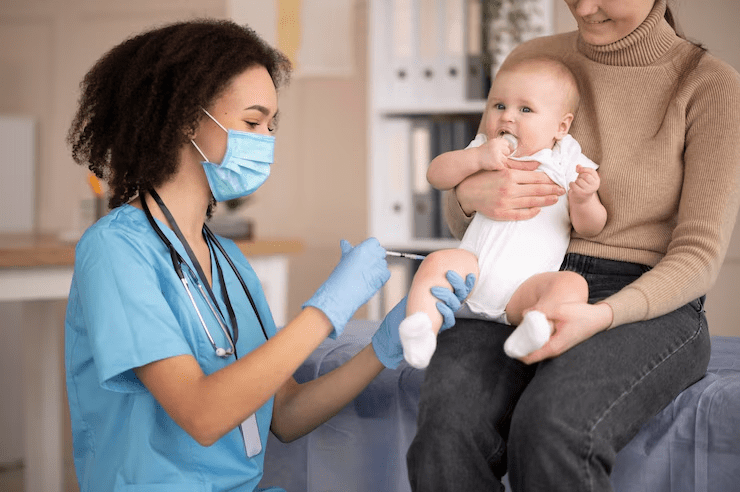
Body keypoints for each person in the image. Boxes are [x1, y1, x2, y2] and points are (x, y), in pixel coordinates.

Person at [64, 19, 471, 492]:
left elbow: (286, 413)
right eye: (252, 122)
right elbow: (201, 413)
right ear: (185, 119)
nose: (265, 140)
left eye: (271, 125)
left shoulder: (229, 262)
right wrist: (327, 309)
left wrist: (384, 343)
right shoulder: (115, 251)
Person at [406, 0, 740, 490]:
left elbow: (699, 256)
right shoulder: (534, 59)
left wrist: (602, 315)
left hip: (644, 299)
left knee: (552, 427)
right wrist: (468, 197)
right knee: (445, 430)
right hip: (523, 280)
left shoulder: (709, 86)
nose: (584, 7)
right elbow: (476, 195)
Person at [399, 56, 606, 369]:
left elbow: (592, 227)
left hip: (524, 291)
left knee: (572, 285)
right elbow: (435, 174)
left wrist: (584, 199)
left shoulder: (566, 159)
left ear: (561, 126)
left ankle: (536, 326)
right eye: (498, 106)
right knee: (437, 262)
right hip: (470, 275)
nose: (507, 117)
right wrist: (477, 159)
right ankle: (421, 329)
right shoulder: (484, 147)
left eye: (525, 109)